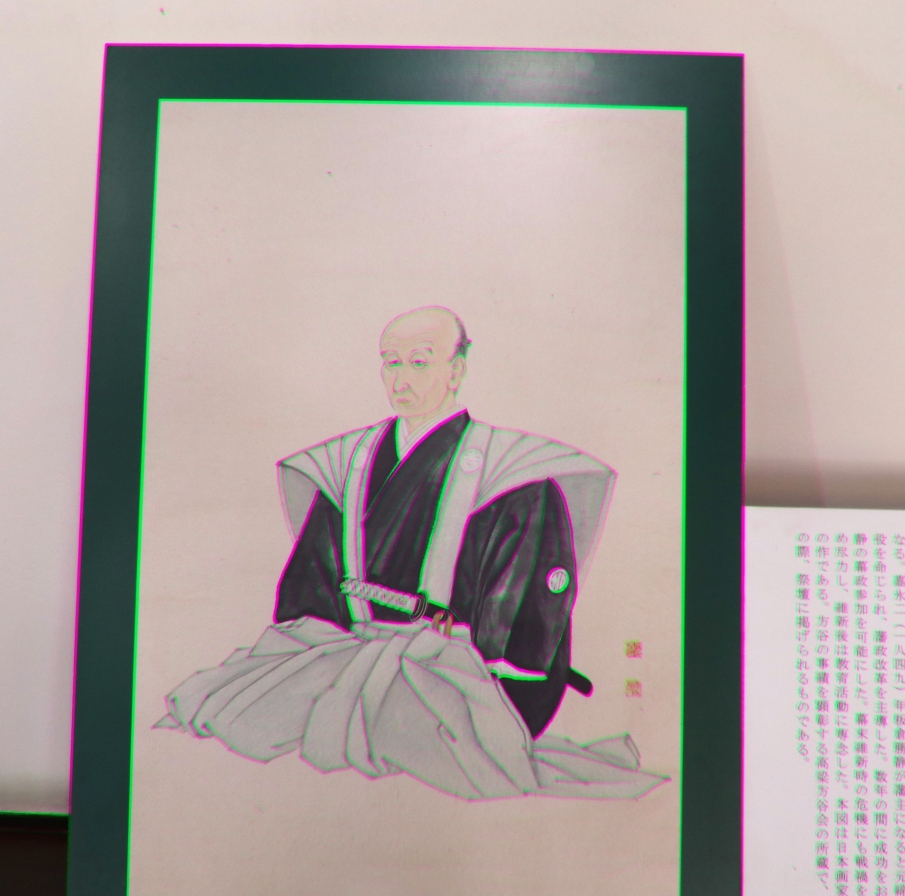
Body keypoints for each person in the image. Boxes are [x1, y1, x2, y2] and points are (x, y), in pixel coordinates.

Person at [154, 306, 665, 801]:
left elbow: (520, 626)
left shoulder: (516, 477)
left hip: (459, 672)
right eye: (391, 363)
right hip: (351, 650)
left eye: (419, 362)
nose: (401, 379)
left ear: (456, 370)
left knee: (363, 720)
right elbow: (311, 594)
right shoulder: (349, 464)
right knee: (238, 704)